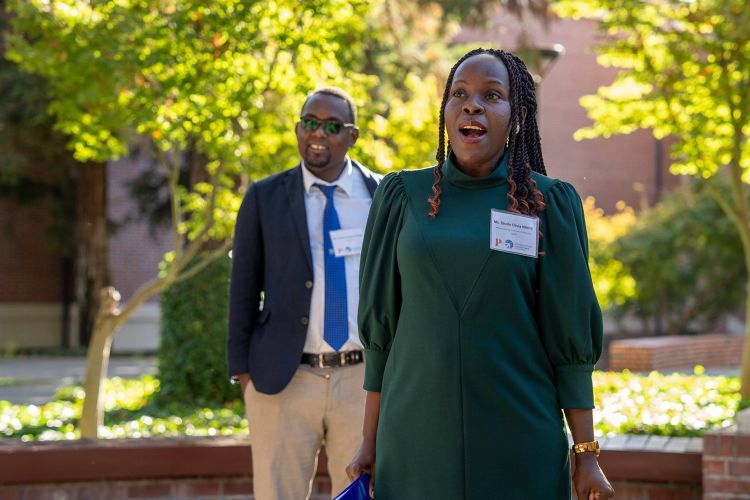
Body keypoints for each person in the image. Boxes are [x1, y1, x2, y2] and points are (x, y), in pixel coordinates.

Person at [346, 49, 615, 500]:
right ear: (446, 110)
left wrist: (586, 454)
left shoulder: (549, 204)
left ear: (516, 115)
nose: (473, 105)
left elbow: (569, 340)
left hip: (518, 441)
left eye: (492, 95)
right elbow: (381, 337)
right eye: (460, 94)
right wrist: (369, 441)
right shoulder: (399, 197)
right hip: (414, 440)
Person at [228, 86, 381, 500]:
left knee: (362, 494)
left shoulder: (383, 196)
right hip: (283, 379)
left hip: (362, 380)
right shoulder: (264, 197)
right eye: (310, 123)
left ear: (352, 136)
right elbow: (243, 289)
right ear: (297, 129)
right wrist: (243, 375)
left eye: (332, 125)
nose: (318, 132)